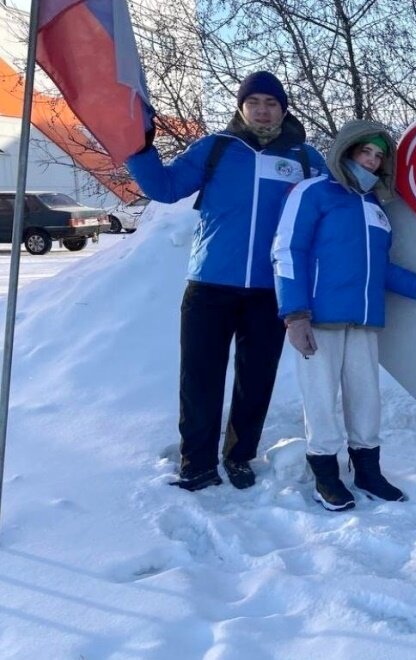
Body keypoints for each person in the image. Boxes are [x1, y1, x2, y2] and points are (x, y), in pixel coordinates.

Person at [127, 71, 328, 491]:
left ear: (283, 109)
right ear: (241, 107)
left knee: (256, 379)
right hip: (209, 285)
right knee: (200, 378)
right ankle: (196, 463)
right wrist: (138, 147)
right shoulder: (215, 148)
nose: (262, 109)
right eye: (253, 101)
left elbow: (330, 214)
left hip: (270, 289)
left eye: (271, 103)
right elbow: (165, 187)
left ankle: (239, 457)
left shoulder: (307, 160)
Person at [273, 119, 416, 511]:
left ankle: (367, 472)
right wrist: (295, 314)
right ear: (346, 151)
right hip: (318, 318)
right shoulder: (313, 192)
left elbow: (379, 266)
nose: (373, 161)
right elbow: (287, 250)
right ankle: (325, 476)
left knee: (366, 400)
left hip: (364, 320)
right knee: (321, 399)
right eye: (366, 152)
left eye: (379, 157)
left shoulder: (375, 207)